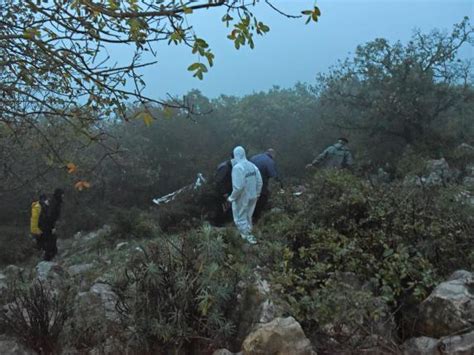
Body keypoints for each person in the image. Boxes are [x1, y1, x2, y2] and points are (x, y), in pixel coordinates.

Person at [228, 146, 262, 244]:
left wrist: (231, 198)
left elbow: (238, 187)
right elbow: (259, 181)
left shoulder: (237, 168)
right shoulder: (252, 165)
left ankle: (247, 238)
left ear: (235, 155)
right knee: (248, 216)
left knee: (240, 217)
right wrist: (257, 193)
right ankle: (249, 231)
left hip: (242, 197)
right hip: (253, 195)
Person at [250, 148, 283, 219]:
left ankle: (249, 216)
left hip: (249, 183)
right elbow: (274, 175)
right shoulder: (269, 161)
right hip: (261, 183)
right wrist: (281, 186)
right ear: (273, 154)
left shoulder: (254, 157)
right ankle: (256, 218)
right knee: (263, 198)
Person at [42, 188, 64, 261]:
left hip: (48, 223)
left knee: (51, 238)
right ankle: (49, 256)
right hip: (48, 224)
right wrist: (52, 226)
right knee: (51, 239)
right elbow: (50, 215)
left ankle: (50, 254)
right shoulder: (55, 202)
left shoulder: (54, 201)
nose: (63, 196)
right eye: (62, 194)